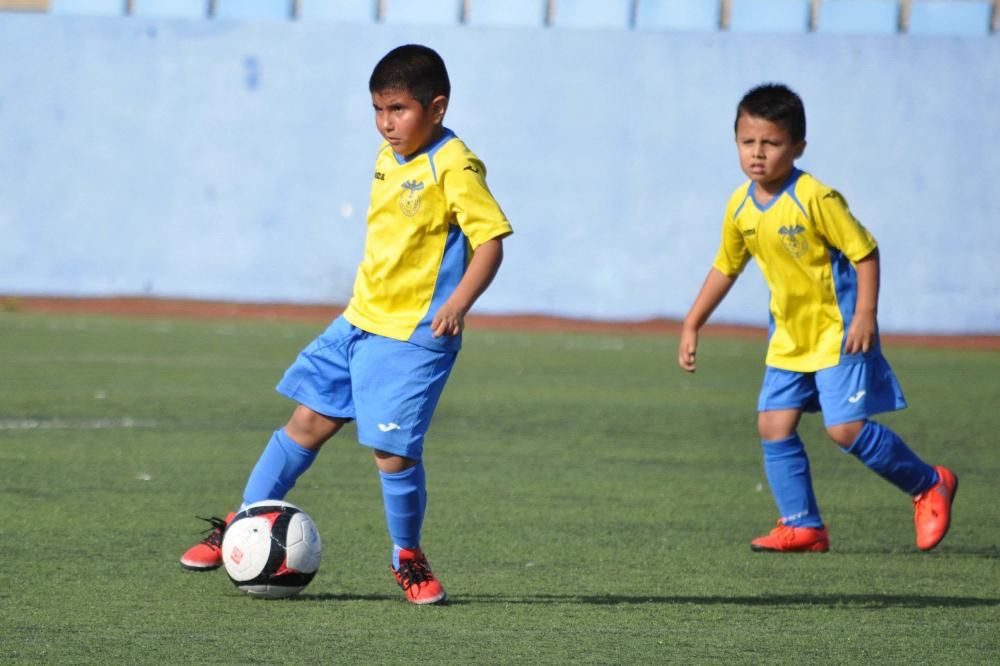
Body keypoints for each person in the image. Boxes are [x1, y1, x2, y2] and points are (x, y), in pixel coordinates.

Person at [180, 44, 512, 604]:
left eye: (399, 110)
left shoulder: (455, 166)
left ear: (437, 107)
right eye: (379, 111)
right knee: (305, 423)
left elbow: (491, 243)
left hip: (413, 335)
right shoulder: (389, 154)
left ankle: (407, 558)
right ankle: (243, 523)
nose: (387, 124)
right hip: (357, 322)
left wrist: (458, 303)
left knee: (394, 454)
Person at [677, 83, 956, 553]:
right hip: (789, 337)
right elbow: (726, 265)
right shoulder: (740, 205)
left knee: (844, 428)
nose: (758, 154)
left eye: (772, 142)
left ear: (798, 146)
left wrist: (866, 313)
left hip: (839, 333)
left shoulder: (816, 198)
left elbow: (864, 253)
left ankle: (928, 483)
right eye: (748, 142)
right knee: (773, 425)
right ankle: (803, 525)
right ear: (736, 143)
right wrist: (692, 322)